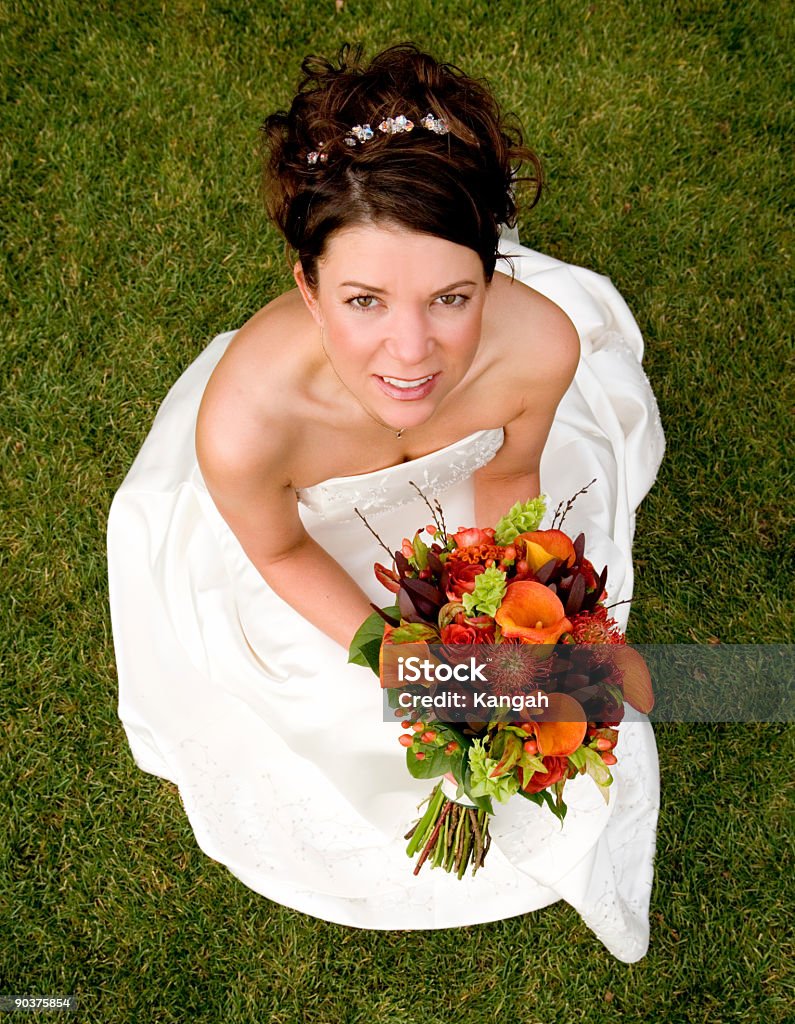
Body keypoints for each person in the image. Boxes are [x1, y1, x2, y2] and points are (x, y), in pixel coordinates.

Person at [108, 43, 665, 961]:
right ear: (307, 285)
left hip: (448, 529)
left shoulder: (538, 349)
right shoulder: (248, 429)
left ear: (492, 274)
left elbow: (502, 476)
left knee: (563, 682)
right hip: (317, 561)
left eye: (452, 297)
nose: (410, 356)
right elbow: (283, 555)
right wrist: (404, 655)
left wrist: (498, 610)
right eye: (364, 299)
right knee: (337, 712)